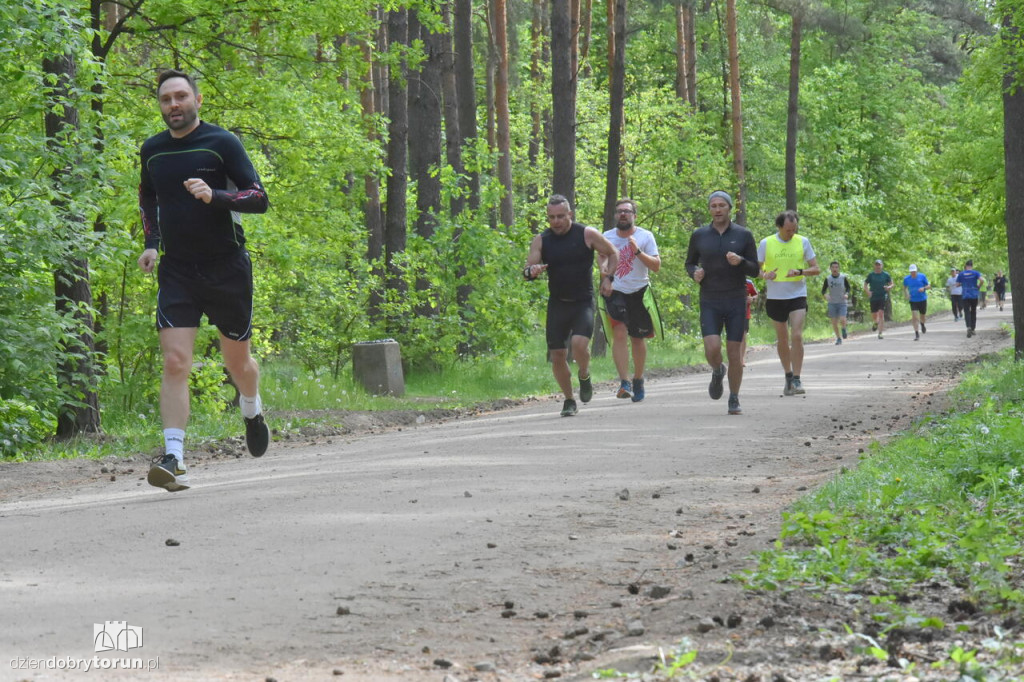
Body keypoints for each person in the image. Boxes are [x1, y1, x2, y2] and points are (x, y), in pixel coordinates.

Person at [138, 70, 271, 492]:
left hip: (226, 267)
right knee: (176, 362)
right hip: (177, 270)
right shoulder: (153, 150)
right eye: (165, 100)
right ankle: (173, 457)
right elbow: (148, 196)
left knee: (239, 366)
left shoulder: (222, 143)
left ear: (197, 99)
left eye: (180, 97)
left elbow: (259, 197)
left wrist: (218, 197)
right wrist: (152, 243)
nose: (173, 105)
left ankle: (251, 409)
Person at [525, 195, 618, 416]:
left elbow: (613, 252)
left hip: (583, 302)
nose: (556, 221)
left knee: (578, 345)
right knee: (557, 355)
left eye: (560, 216)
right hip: (557, 303)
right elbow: (528, 267)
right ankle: (568, 400)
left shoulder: (586, 234)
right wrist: (532, 271)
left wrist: (608, 278)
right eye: (551, 217)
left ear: (570, 215)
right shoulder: (542, 239)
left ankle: (584, 374)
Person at [684, 190, 760, 415]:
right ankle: (718, 370)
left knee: (734, 352)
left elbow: (755, 269)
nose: (717, 210)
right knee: (712, 348)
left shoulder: (743, 235)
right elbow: (689, 263)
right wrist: (694, 272)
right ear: (709, 209)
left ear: (729, 209)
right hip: (710, 299)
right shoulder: (699, 235)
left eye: (721, 206)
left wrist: (741, 261)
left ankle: (734, 397)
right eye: (713, 206)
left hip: (736, 299)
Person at [600, 198, 661, 403]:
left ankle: (638, 379)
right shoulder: (607, 237)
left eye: (627, 211)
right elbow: (602, 257)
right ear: (615, 216)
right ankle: (624, 381)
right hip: (616, 291)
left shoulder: (645, 236)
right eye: (619, 212)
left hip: (639, 291)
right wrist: (604, 274)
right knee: (619, 332)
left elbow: (655, 266)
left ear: (634, 215)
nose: (623, 215)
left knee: (637, 338)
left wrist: (637, 251)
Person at [758, 210, 820, 395]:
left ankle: (798, 379)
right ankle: (788, 375)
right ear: (779, 226)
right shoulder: (766, 243)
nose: (791, 233)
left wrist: (800, 272)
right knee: (783, 338)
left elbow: (816, 268)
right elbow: (756, 268)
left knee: (797, 336)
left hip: (797, 295)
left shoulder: (803, 241)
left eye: (794, 229)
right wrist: (765, 275)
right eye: (787, 230)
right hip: (776, 297)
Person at [821, 261, 850, 345]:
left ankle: (844, 328)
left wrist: (846, 294)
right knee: (834, 322)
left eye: (836, 267)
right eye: (833, 267)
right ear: (830, 268)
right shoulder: (828, 279)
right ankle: (838, 338)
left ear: (839, 268)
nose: (835, 269)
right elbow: (823, 290)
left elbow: (848, 288)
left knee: (842, 319)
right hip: (832, 303)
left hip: (842, 302)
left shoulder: (843, 277)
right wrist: (825, 295)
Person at [864, 259, 894, 339]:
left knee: (881, 314)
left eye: (879, 265)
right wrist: (868, 292)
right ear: (874, 266)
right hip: (873, 297)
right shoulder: (871, 275)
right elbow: (865, 284)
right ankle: (876, 323)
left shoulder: (885, 275)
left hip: (882, 296)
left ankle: (880, 333)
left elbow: (891, 284)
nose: (878, 266)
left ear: (882, 266)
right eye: (876, 265)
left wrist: (888, 287)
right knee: (874, 316)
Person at [903, 264, 931, 341]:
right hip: (913, 300)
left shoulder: (922, 276)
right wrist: (906, 294)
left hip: (922, 299)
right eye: (911, 272)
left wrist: (924, 288)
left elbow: (929, 286)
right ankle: (916, 334)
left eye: (914, 271)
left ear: (917, 271)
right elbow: (905, 287)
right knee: (914, 316)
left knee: (923, 315)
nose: (913, 273)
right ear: (910, 272)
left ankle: (922, 324)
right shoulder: (907, 279)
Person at [957, 260, 983, 337]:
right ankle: (973, 328)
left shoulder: (961, 274)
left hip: (965, 295)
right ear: (972, 266)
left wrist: (962, 283)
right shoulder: (975, 273)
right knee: (973, 311)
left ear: (966, 266)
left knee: (967, 311)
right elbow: (982, 280)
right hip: (974, 294)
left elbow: (957, 284)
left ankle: (968, 326)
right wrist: (978, 286)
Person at [742, 277, 758, 364]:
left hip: (745, 313)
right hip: (730, 312)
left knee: (743, 335)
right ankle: (734, 358)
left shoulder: (748, 282)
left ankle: (742, 359)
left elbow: (755, 294)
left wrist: (752, 299)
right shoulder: (729, 280)